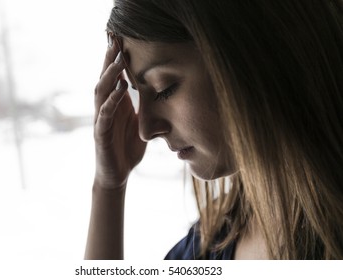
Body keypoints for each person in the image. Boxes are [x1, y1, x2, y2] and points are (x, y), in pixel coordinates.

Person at [85, 0, 343, 260]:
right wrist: (109, 186)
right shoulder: (210, 243)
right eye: (137, 92)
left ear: (255, 54)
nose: (146, 130)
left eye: (164, 87)